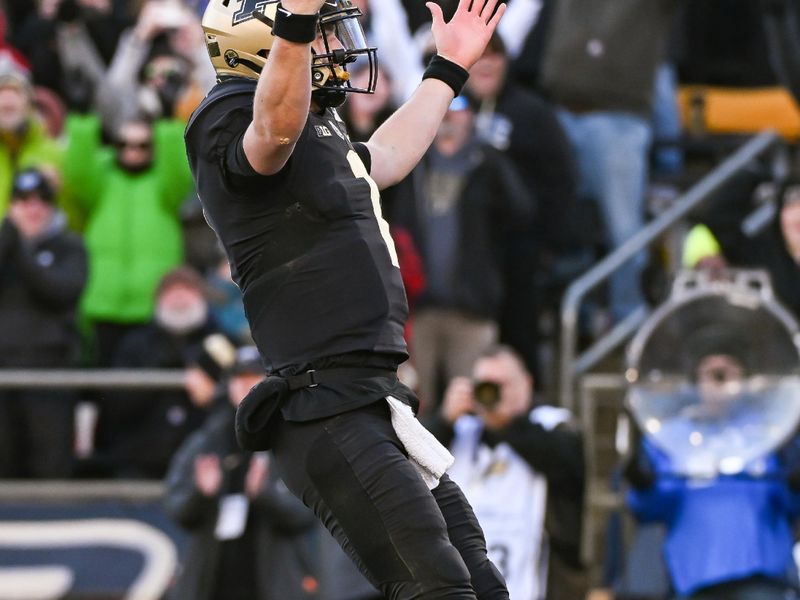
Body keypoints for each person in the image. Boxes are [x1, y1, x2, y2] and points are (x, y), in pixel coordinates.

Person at [184, 0, 509, 597]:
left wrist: (448, 69)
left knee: (481, 583)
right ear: (263, 41)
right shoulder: (229, 113)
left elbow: (381, 160)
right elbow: (273, 130)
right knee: (436, 587)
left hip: (372, 395)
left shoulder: (316, 126)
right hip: (323, 405)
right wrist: (297, 20)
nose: (334, 46)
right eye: (321, 31)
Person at [625, 338, 800, 599]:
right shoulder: (672, 437)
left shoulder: (770, 433)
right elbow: (649, 508)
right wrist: (642, 481)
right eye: (711, 372)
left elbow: (791, 502)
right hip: (695, 579)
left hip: (763, 579)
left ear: (747, 380)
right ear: (695, 380)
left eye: (729, 370)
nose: (720, 379)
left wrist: (794, 474)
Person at [389, 94, 531, 411]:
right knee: (409, 405)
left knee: (477, 405)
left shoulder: (486, 161)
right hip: (417, 309)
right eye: (442, 108)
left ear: (472, 115)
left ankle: (473, 461)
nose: (449, 116)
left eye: (457, 107)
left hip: (471, 309)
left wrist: (494, 163)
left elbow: (522, 213)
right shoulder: (414, 160)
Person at [427, 345, 586, 600]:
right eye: (484, 385)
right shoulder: (461, 430)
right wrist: (443, 420)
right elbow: (410, 467)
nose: (492, 394)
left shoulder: (552, 423)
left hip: (537, 584)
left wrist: (508, 423)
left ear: (527, 383)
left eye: (501, 385)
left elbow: (565, 460)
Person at [165, 345, 321, 600]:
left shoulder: (292, 440)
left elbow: (309, 514)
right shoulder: (206, 441)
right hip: (212, 581)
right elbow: (175, 506)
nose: (245, 387)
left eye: (253, 379)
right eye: (239, 379)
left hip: (273, 582)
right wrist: (201, 494)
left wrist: (266, 495)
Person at [64, 107, 193, 364]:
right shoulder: (102, 182)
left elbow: (180, 174)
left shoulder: (164, 187)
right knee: (101, 388)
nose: (132, 151)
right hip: (102, 304)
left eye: (143, 145)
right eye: (124, 144)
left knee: (144, 390)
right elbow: (77, 173)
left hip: (151, 306)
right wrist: (82, 118)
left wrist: (167, 124)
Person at [94, 266, 225, 479]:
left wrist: (214, 393)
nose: (180, 298)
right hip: (140, 461)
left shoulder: (223, 344)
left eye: (188, 290)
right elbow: (114, 404)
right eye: (171, 291)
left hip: (205, 463)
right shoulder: (135, 344)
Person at [0, 168, 88, 478]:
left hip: (50, 373)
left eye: (41, 201)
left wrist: (19, 249)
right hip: (3, 372)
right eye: (23, 201)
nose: (32, 209)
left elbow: (59, 291)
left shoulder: (70, 248)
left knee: (50, 464)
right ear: (11, 207)